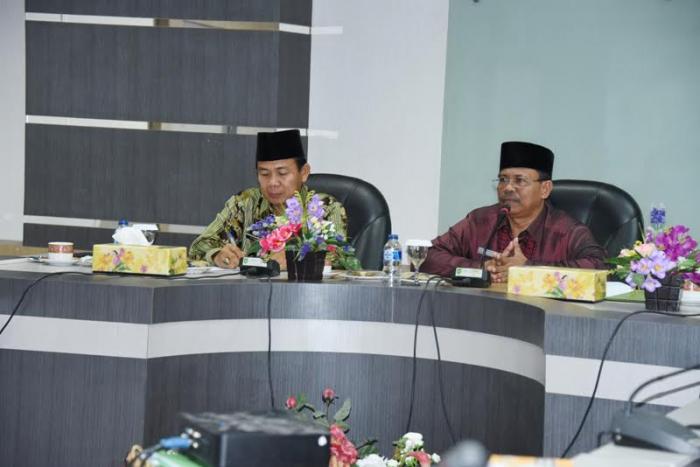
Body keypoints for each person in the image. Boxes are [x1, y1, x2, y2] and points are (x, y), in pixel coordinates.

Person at [420, 141, 607, 282]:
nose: (508, 188)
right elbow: (426, 256)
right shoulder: (480, 221)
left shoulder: (567, 231)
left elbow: (600, 268)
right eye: (503, 180)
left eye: (520, 180)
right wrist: (482, 267)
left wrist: (527, 269)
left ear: (545, 189)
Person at [189, 129, 346, 269]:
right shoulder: (245, 203)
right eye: (264, 174)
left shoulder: (325, 207)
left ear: (304, 172)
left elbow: (340, 256)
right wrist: (217, 254)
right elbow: (199, 246)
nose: (272, 182)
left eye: (282, 173)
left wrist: (296, 257)